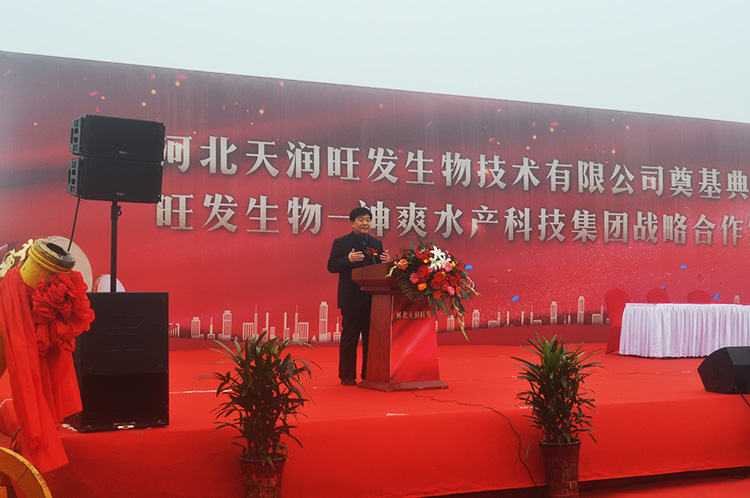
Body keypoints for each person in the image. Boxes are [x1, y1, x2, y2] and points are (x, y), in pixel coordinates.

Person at [327, 207, 391, 386]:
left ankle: (369, 373)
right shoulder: (341, 242)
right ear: (352, 223)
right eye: (361, 220)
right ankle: (347, 375)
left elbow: (379, 269)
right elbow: (331, 266)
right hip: (351, 298)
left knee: (372, 339)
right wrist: (348, 260)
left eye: (368, 220)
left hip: (374, 300)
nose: (365, 223)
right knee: (350, 338)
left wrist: (387, 263)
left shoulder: (376, 243)